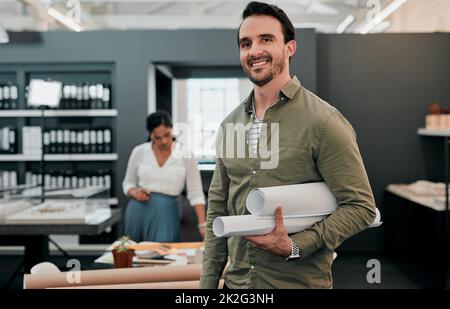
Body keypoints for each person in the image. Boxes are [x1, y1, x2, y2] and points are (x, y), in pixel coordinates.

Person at [200, 1, 376, 289]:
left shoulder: (324, 121)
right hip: (237, 286)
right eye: (246, 43)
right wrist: (206, 287)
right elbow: (218, 210)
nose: (254, 51)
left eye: (266, 39)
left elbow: (361, 207)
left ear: (289, 48)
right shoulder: (229, 125)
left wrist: (296, 245)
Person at [122, 110, 206, 243]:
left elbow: (196, 193)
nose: (164, 141)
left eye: (167, 134)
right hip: (138, 209)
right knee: (133, 255)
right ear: (150, 135)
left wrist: (203, 225)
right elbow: (128, 183)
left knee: (165, 256)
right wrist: (134, 192)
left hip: (167, 212)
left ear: (172, 129)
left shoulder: (185, 155)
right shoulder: (139, 152)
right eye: (158, 137)